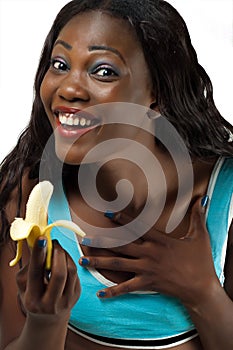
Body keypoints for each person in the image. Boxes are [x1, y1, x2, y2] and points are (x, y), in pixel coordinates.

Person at [0, 1, 233, 349]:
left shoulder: (227, 197)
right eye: (60, 64)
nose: (69, 89)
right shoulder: (27, 191)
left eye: (104, 71)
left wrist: (201, 289)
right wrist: (46, 321)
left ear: (158, 91)